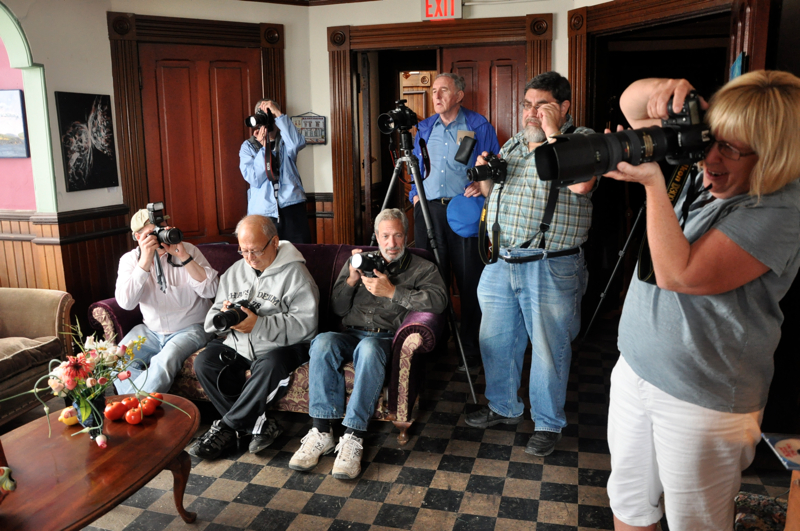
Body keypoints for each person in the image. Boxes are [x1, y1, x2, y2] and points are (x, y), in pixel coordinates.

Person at [602, 71, 800, 530]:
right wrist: (664, 93)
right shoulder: (709, 161)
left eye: (730, 148)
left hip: (703, 397)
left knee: (695, 523)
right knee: (629, 505)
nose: (709, 159)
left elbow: (680, 274)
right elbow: (632, 108)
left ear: (776, 154)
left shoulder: (781, 209)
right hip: (635, 368)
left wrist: (653, 185)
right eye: (710, 139)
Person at [464, 71, 597, 458]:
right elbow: (495, 195)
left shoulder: (582, 140)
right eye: (527, 105)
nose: (532, 113)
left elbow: (582, 184)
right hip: (502, 260)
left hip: (550, 264)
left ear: (564, 107)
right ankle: (504, 406)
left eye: (543, 105)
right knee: (496, 341)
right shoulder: (515, 144)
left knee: (549, 348)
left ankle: (547, 422)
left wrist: (553, 131)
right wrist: (487, 174)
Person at [289, 208, 448, 480]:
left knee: (369, 348)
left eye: (398, 235)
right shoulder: (358, 261)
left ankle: (353, 435)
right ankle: (321, 431)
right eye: (385, 236)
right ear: (376, 236)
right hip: (350, 333)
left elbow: (439, 302)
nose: (392, 243)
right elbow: (338, 308)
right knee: (323, 342)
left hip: (384, 337)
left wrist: (394, 292)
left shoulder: (423, 268)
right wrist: (351, 279)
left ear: (406, 236)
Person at [189, 215, 319, 459]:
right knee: (204, 362)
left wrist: (258, 325)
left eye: (256, 251)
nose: (249, 258)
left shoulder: (296, 275)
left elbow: (306, 326)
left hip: (282, 347)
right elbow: (213, 319)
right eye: (243, 250)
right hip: (237, 344)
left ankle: (225, 427)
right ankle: (259, 426)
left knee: (270, 366)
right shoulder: (235, 272)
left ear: (275, 242)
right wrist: (228, 317)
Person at [409, 73, 500, 371]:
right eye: (433, 91)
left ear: (459, 95)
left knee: (469, 279)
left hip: (464, 210)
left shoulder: (477, 125)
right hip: (428, 213)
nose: (436, 96)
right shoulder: (424, 128)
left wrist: (482, 184)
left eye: (443, 90)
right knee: (431, 279)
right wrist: (413, 194)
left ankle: (471, 349)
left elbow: (494, 163)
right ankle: (433, 341)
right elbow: (415, 167)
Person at [114, 209, 218, 395]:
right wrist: (144, 263)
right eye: (151, 234)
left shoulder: (188, 250)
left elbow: (211, 290)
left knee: (163, 362)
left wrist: (184, 257)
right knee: (116, 360)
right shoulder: (130, 260)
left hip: (191, 327)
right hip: (150, 330)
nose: (159, 237)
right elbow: (126, 303)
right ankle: (139, 408)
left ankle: (132, 409)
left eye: (161, 230)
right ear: (138, 237)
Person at [240, 99, 311, 244]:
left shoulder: (286, 140)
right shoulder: (248, 146)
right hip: (263, 211)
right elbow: (254, 178)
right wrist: (262, 149)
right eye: (261, 115)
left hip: (291, 207)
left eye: (268, 115)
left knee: (299, 251)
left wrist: (277, 113)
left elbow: (298, 143)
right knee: (265, 254)